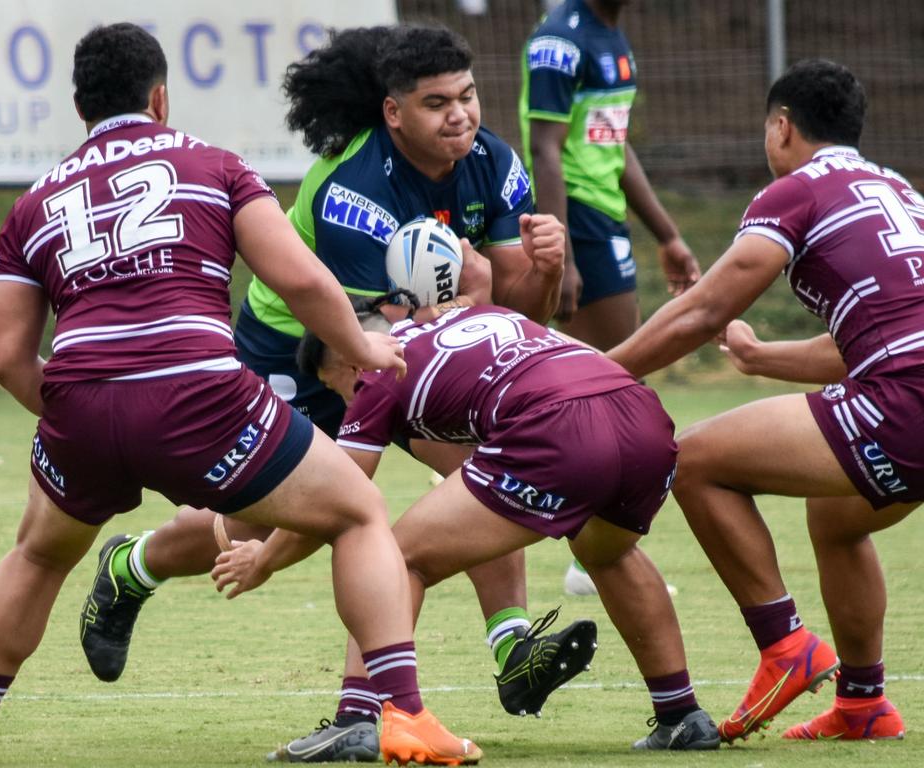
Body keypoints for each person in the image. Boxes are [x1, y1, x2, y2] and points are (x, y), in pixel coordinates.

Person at [74, 24, 583, 764]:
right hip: (306, 352)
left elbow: (506, 317)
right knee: (258, 524)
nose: (462, 116)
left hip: (401, 346)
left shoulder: (496, 163)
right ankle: (134, 565)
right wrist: (477, 298)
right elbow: (367, 333)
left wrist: (541, 269)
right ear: (394, 112)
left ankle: (509, 649)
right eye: (438, 102)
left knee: (479, 469)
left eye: (468, 97)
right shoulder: (352, 192)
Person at [0, 23, 482, 766]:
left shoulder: (33, 204)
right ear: (160, 97)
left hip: (80, 399)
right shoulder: (212, 164)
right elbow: (302, 279)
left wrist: (76, 418)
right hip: (199, 395)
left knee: (37, 556)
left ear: (81, 108)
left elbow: (7, 356)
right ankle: (402, 714)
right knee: (357, 512)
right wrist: (363, 348)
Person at [606, 59, 924, 741]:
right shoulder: (899, 189)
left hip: (906, 409)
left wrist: (598, 373)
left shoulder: (793, 192)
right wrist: (760, 360)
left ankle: (784, 645)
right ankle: (863, 704)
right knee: (836, 522)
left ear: (781, 127)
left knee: (694, 459)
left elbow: (703, 311)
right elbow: (878, 336)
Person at [211, 297, 722, 754]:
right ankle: (682, 715)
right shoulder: (467, 314)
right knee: (607, 552)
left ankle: (357, 718)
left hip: (558, 423)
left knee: (395, 557)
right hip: (642, 418)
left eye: (335, 387)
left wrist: (265, 557)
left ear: (346, 356)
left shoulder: (375, 370)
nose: (347, 398)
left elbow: (336, 501)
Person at [520, 0, 700, 595]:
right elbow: (546, 149)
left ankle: (589, 552)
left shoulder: (612, 37)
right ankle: (589, 554)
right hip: (581, 222)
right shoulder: (560, 41)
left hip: (607, 220)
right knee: (619, 389)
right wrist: (562, 254)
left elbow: (613, 146)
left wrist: (668, 234)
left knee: (615, 387)